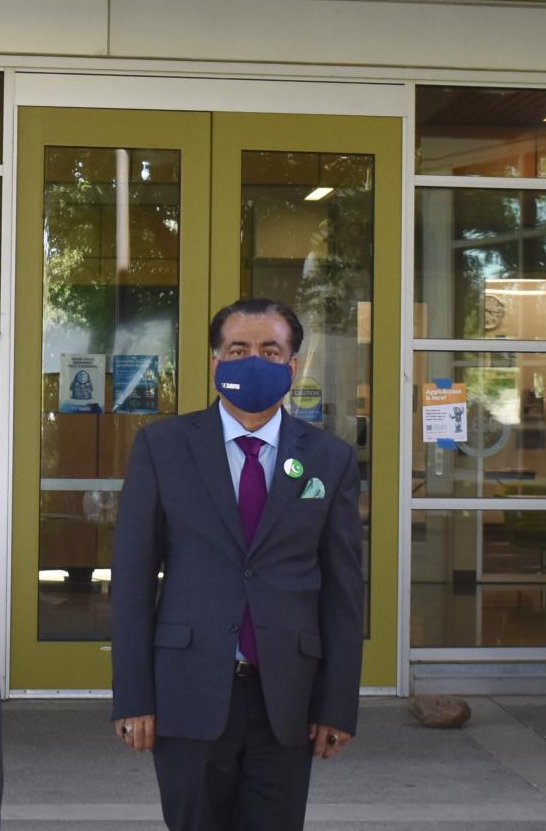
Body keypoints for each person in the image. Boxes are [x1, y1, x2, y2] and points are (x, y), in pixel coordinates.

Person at [110, 299, 365, 831]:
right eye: (239, 349)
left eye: (270, 351)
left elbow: (343, 590)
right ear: (216, 364)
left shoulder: (329, 459)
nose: (254, 360)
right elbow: (132, 580)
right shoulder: (162, 447)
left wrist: (337, 704)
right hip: (187, 692)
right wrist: (133, 697)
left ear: (292, 367)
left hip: (287, 700)